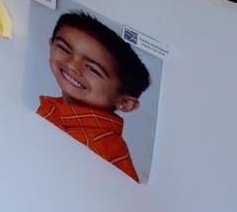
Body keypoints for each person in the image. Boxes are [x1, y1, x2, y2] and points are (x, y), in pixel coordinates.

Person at [36, 12, 151, 182]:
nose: (72, 66)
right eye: (64, 49)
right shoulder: (60, 113)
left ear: (125, 102)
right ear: (51, 44)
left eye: (92, 69)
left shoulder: (94, 147)